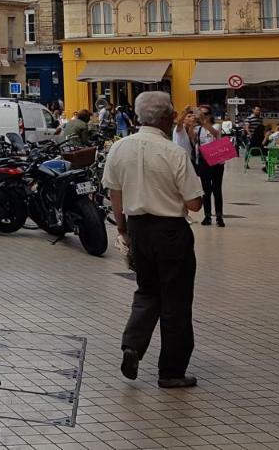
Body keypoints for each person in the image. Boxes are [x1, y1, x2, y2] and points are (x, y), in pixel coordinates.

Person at [102, 91, 203, 390]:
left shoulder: (119, 148)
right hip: (171, 231)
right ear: (167, 118)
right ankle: (171, 371)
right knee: (176, 300)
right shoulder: (173, 152)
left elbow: (115, 194)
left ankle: (132, 345)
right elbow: (195, 203)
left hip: (137, 229)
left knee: (147, 291)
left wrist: (123, 230)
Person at [172, 107, 225, 227]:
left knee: (217, 189)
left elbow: (215, 133)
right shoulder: (197, 129)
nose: (202, 115)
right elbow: (191, 137)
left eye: (205, 113)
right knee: (206, 190)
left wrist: (203, 121)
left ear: (210, 115)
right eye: (201, 113)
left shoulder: (216, 126)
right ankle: (207, 215)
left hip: (216, 159)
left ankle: (219, 216)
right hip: (203, 160)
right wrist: (192, 123)